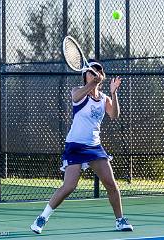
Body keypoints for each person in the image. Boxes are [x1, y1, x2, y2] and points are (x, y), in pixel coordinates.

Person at [30, 59, 133, 234]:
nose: (94, 73)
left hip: (94, 147)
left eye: (98, 71)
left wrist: (114, 93)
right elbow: (75, 98)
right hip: (75, 146)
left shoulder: (104, 99)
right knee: (69, 186)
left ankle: (120, 220)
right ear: (85, 75)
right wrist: (93, 83)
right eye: (91, 71)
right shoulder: (78, 91)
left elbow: (114, 115)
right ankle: (41, 218)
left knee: (111, 184)